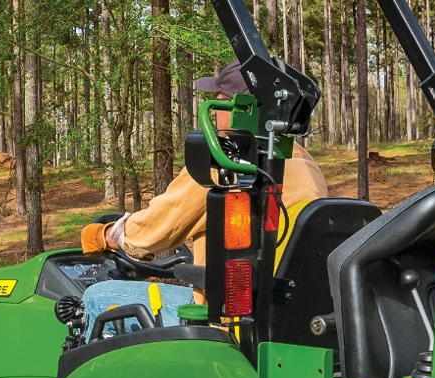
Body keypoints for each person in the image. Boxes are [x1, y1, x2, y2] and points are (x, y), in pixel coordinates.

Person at [79, 59, 328, 339]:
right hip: (285, 320)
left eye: (221, 100)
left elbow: (151, 231)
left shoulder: (228, 161)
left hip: (226, 322)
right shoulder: (301, 160)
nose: (215, 110)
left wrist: (107, 236)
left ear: (243, 108)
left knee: (95, 296)